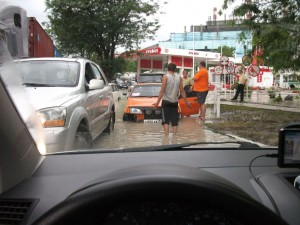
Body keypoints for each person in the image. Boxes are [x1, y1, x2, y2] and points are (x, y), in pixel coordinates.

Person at [153, 63, 191, 135]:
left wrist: (157, 103)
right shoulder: (179, 77)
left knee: (166, 120)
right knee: (174, 120)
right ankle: (174, 136)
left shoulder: (165, 77)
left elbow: (162, 91)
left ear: (168, 69)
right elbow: (182, 91)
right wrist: (187, 102)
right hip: (175, 102)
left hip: (166, 101)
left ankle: (166, 136)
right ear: (175, 69)